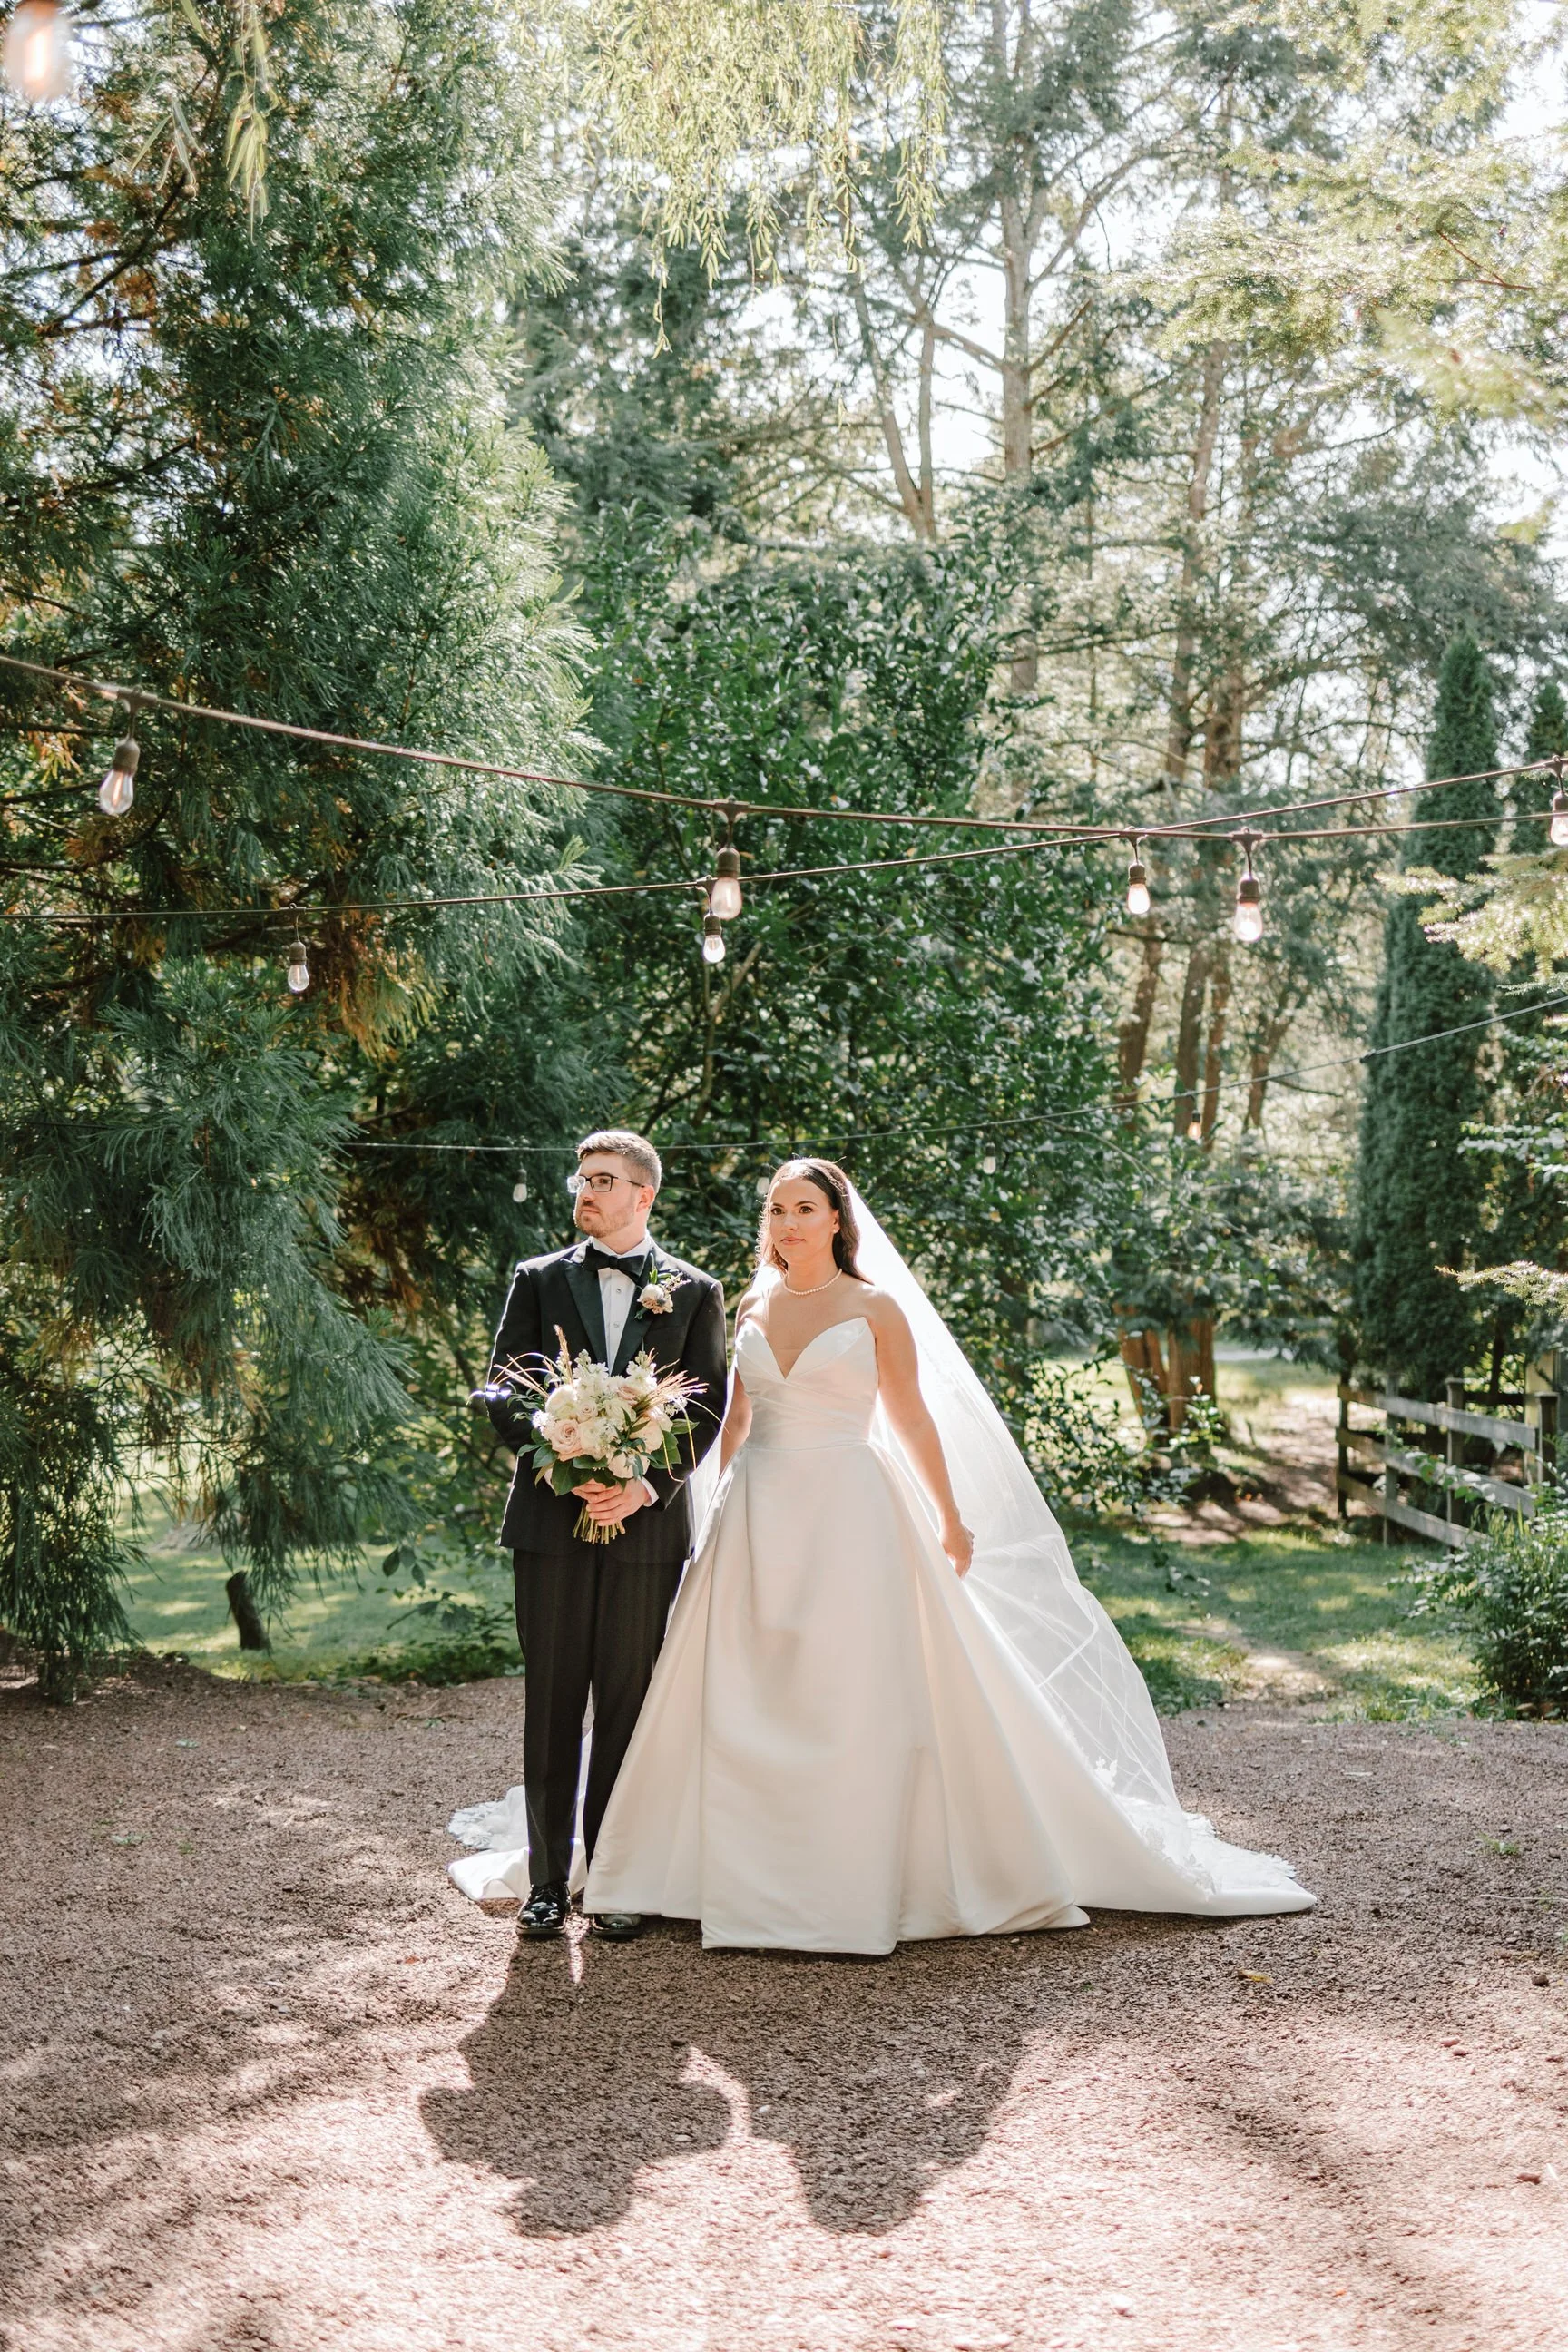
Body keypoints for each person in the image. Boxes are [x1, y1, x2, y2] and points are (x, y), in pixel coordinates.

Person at [573, 1159, 1315, 1954]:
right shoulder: (751, 1300)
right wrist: (699, 1505)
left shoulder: (875, 1306)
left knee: (853, 1683)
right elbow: (736, 1420)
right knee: (742, 1683)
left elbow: (913, 1419)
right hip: (756, 1511)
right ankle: (721, 1864)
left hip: (851, 1510)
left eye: (805, 1208)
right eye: (778, 1209)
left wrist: (950, 1518)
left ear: (836, 1220)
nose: (788, 1223)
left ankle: (854, 1867)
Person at [467, 1129, 726, 1943]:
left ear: (643, 1196)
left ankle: (614, 1877)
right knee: (551, 1700)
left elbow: (710, 1402)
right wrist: (553, 1462)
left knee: (626, 1700)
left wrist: (647, 1483)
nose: (585, 1191)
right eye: (581, 1178)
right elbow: (500, 1386)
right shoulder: (539, 1280)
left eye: (603, 1180)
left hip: (646, 1527)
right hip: (550, 1516)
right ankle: (548, 1880)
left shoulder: (693, 1291)